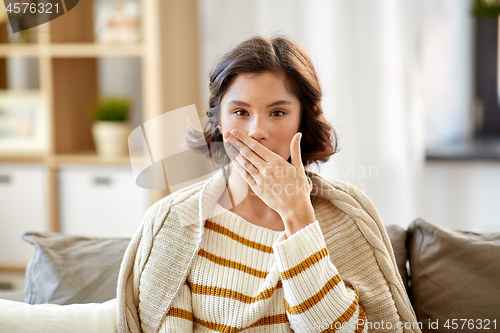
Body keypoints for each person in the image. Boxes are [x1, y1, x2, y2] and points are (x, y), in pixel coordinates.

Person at [116, 35, 421, 333]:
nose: (257, 130)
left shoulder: (348, 215)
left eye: (277, 112)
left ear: (302, 120)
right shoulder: (173, 220)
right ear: (220, 123)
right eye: (240, 112)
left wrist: (299, 217)